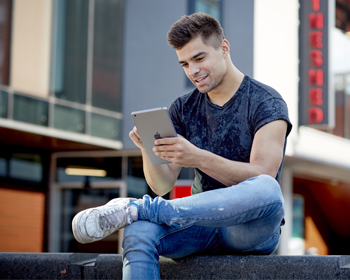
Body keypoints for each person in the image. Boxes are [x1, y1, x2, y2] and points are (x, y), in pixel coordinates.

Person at [72, 13, 292, 279]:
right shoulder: (183, 108)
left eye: (199, 58)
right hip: (199, 224)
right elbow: (162, 186)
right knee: (139, 231)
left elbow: (263, 173)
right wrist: (147, 150)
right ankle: (140, 211)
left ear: (224, 48)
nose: (193, 71)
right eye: (184, 64)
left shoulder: (266, 101)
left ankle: (140, 208)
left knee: (267, 188)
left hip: (247, 229)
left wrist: (198, 158)